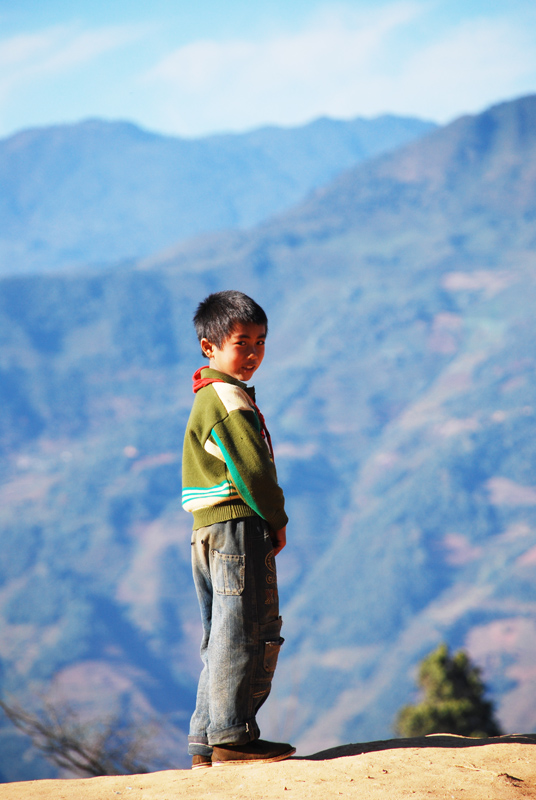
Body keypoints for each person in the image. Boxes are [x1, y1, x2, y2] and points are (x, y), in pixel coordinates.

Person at [182, 290, 295, 769]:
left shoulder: (211, 396)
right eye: (241, 342)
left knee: (220, 632)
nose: (252, 354)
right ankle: (232, 737)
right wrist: (277, 519)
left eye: (261, 343)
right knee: (244, 630)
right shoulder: (228, 399)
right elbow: (252, 471)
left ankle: (206, 738)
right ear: (209, 348)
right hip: (236, 527)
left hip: (207, 532)